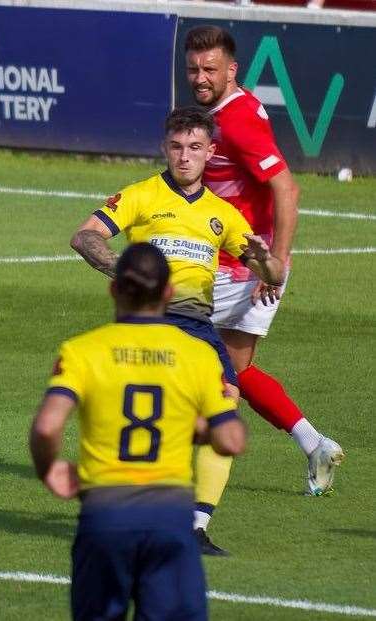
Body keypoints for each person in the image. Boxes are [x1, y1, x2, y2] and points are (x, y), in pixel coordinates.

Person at [71, 106, 284, 556]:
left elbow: (274, 272)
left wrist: (265, 260)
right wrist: (124, 269)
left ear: (210, 152)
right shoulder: (141, 195)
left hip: (197, 325)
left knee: (226, 404)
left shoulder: (221, 215)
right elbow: (85, 236)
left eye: (194, 148)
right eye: (176, 147)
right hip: (149, 318)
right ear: (164, 148)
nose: (184, 156)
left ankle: (193, 525)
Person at [30, 242, 247, 621]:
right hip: (169, 517)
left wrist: (50, 469)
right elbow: (231, 440)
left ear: (114, 289)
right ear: (167, 293)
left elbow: (48, 427)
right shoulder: (198, 355)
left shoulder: (82, 350)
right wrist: (195, 428)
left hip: (104, 514)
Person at [184, 25, 344, 538]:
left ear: (231, 70)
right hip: (243, 260)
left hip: (241, 267)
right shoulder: (234, 108)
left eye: (210, 69)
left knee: (184, 352)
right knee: (236, 367)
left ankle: (174, 482)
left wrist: (273, 261)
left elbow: (286, 186)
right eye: (193, 69)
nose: (200, 78)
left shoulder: (236, 123)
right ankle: (315, 444)